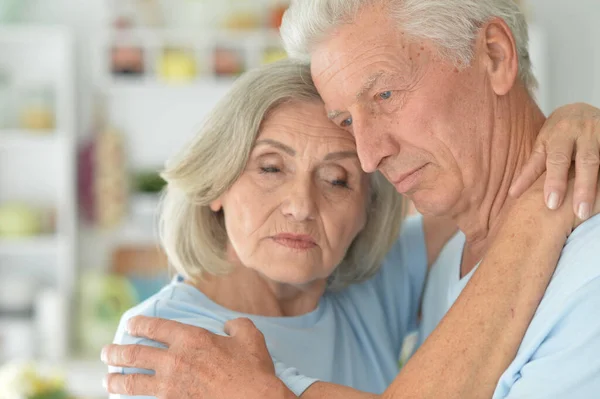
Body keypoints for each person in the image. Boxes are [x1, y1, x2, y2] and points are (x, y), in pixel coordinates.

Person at [102, 1, 600, 398]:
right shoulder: (167, 347)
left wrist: (573, 126)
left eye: (384, 95)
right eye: (270, 167)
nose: (369, 154)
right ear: (217, 181)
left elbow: (498, 173)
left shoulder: (372, 288)